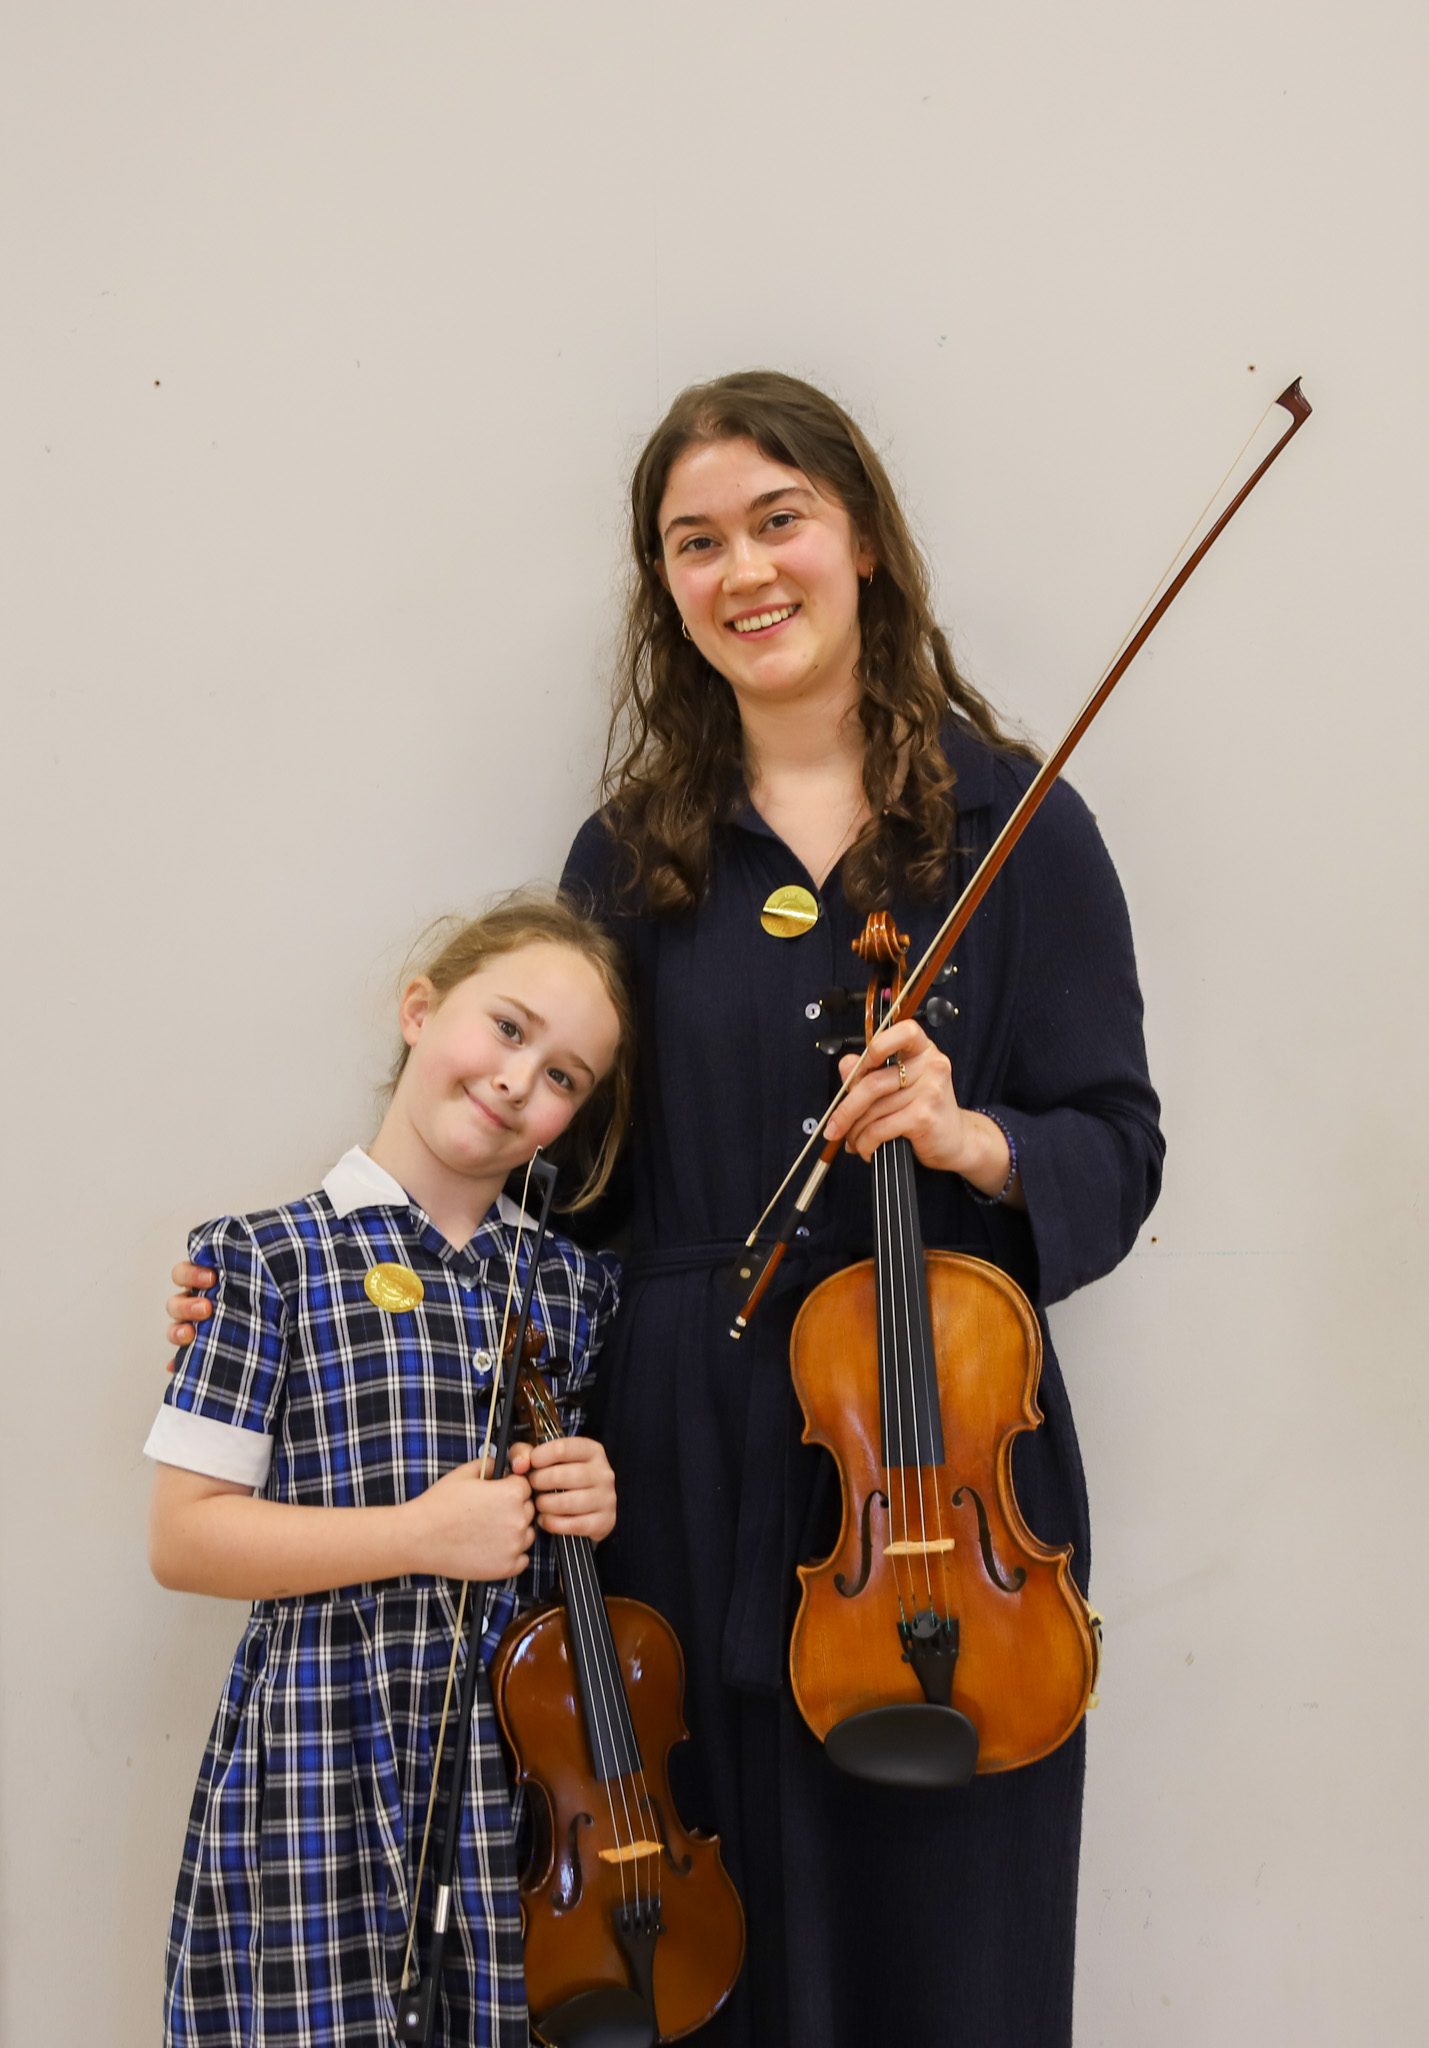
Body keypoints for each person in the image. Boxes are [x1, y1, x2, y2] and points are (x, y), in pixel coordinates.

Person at [170, 370, 1164, 2047]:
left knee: (951, 1933)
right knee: (700, 1939)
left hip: (941, 1469)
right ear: (665, 588)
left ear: (858, 539)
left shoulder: (1021, 826)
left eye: (776, 519)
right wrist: (315, 1277)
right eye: (694, 542)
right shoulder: (629, 859)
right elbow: (539, 1162)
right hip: (674, 1452)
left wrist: (970, 1136)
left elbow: (1115, 1149)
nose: (741, 569)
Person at [147, 896, 633, 2048]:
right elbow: (184, 1537)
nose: (522, 1081)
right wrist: (416, 1534)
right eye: (506, 1029)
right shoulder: (260, 1258)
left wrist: (592, 1493)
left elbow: (575, 1521)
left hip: (516, 1795)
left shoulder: (573, 1289)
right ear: (420, 1009)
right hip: (316, 1759)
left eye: (565, 1076)